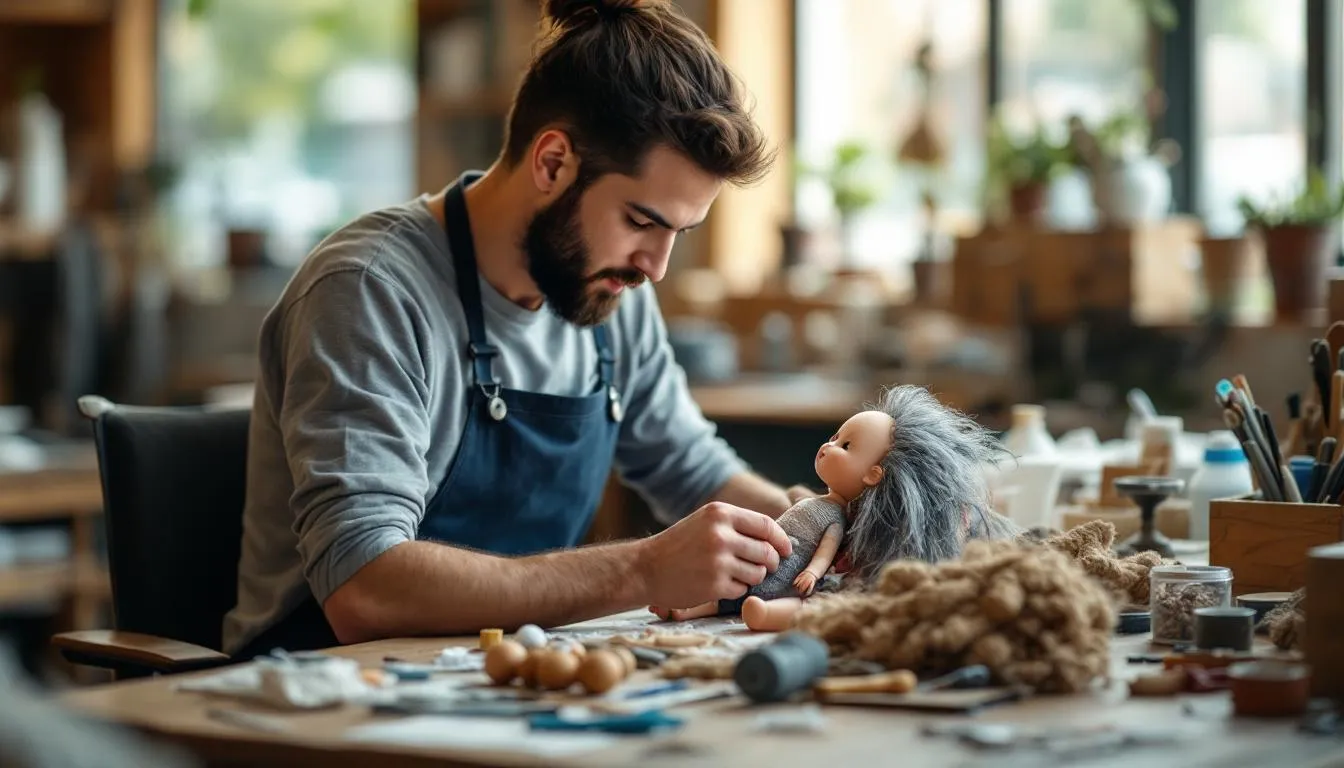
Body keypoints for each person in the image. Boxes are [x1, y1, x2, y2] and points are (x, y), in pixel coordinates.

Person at [221, 0, 809, 658]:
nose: (656, 267)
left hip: (498, 677)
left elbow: (689, 467)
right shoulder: (369, 290)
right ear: (552, 162)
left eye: (680, 232)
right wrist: (644, 569)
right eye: (642, 222)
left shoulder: (609, 292)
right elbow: (363, 586)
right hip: (318, 688)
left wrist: (804, 525)